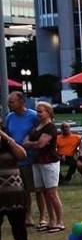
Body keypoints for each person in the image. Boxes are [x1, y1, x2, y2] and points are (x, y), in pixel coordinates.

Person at [22, 102, 63, 233]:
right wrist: (33, 143)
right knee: (43, 191)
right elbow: (25, 142)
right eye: (37, 111)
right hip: (37, 161)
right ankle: (50, 219)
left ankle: (59, 221)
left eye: (41, 111)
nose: (38, 114)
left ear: (49, 112)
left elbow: (41, 144)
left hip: (49, 161)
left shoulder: (50, 127)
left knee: (52, 192)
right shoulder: (36, 127)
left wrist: (32, 144)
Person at [0, 124, 33, 240]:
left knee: (19, 225)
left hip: (14, 194)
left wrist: (5, 137)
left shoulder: (9, 144)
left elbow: (22, 155)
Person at [5, 92, 37, 227]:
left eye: (12, 102)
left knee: (31, 188)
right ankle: (25, 215)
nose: (9, 104)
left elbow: (40, 130)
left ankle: (33, 215)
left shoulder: (33, 116)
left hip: (29, 158)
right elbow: (7, 133)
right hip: (14, 159)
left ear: (21, 102)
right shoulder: (9, 117)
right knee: (20, 189)